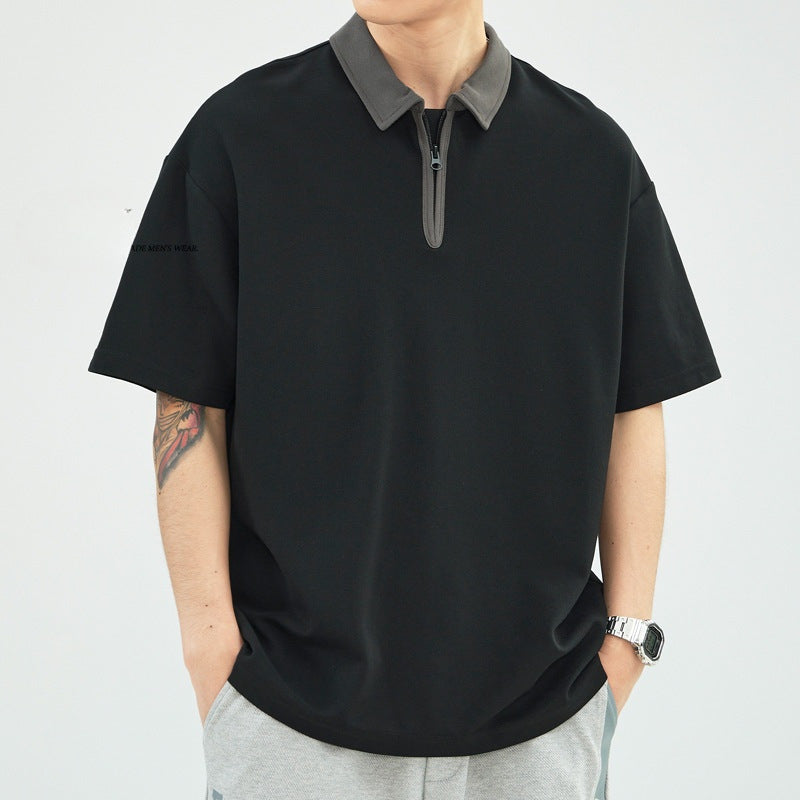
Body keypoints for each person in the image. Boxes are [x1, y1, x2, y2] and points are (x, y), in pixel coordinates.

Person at [87, 2, 722, 798]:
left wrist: (624, 643)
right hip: (289, 728)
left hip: (541, 729)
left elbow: (635, 408)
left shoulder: (594, 160)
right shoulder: (236, 137)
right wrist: (209, 649)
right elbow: (187, 406)